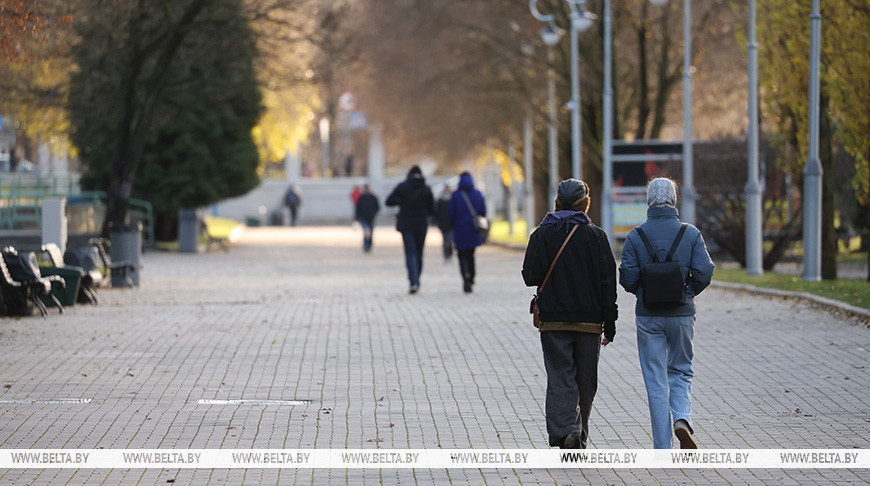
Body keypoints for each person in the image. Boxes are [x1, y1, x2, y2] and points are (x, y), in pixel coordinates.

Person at [618, 177, 714, 449]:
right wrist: (688, 292)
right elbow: (705, 271)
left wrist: (642, 293)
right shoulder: (691, 234)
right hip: (682, 314)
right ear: (674, 199)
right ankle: (682, 418)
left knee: (655, 379)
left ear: (649, 201)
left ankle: (662, 446)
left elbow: (626, 277)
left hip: (648, 316)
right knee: (681, 370)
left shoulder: (636, 236)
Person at [522, 179, 618, 449]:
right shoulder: (596, 236)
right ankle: (579, 433)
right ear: (584, 204)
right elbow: (607, 282)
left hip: (553, 320)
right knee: (585, 380)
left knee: (560, 376)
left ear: (557, 202)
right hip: (589, 321)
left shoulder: (541, 234)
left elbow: (530, 276)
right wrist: (610, 322)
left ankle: (566, 431)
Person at [385, 165, 434, 294]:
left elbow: (388, 201)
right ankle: (417, 280)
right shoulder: (426, 189)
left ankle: (413, 281)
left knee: (410, 253)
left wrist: (401, 201)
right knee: (419, 253)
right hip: (421, 225)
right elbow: (432, 209)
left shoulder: (402, 187)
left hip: (406, 224)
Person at [447, 172, 486, 293]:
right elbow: (483, 212)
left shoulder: (455, 195)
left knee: (461, 255)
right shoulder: (478, 194)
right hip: (473, 230)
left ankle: (466, 277)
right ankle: (472, 276)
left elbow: (450, 214)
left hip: (459, 230)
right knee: (471, 254)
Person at [354, 184, 380, 252]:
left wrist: (373, 213)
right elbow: (357, 208)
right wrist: (357, 217)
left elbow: (377, 207)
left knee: (370, 232)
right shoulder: (361, 198)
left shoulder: (373, 197)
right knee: (366, 232)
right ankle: (366, 245)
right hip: (363, 218)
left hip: (371, 218)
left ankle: (369, 245)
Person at [434, 185, 454, 261]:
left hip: (451, 223)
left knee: (450, 239)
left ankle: (450, 253)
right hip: (442, 223)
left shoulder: (452, 199)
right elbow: (436, 212)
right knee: (445, 239)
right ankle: (446, 254)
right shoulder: (440, 200)